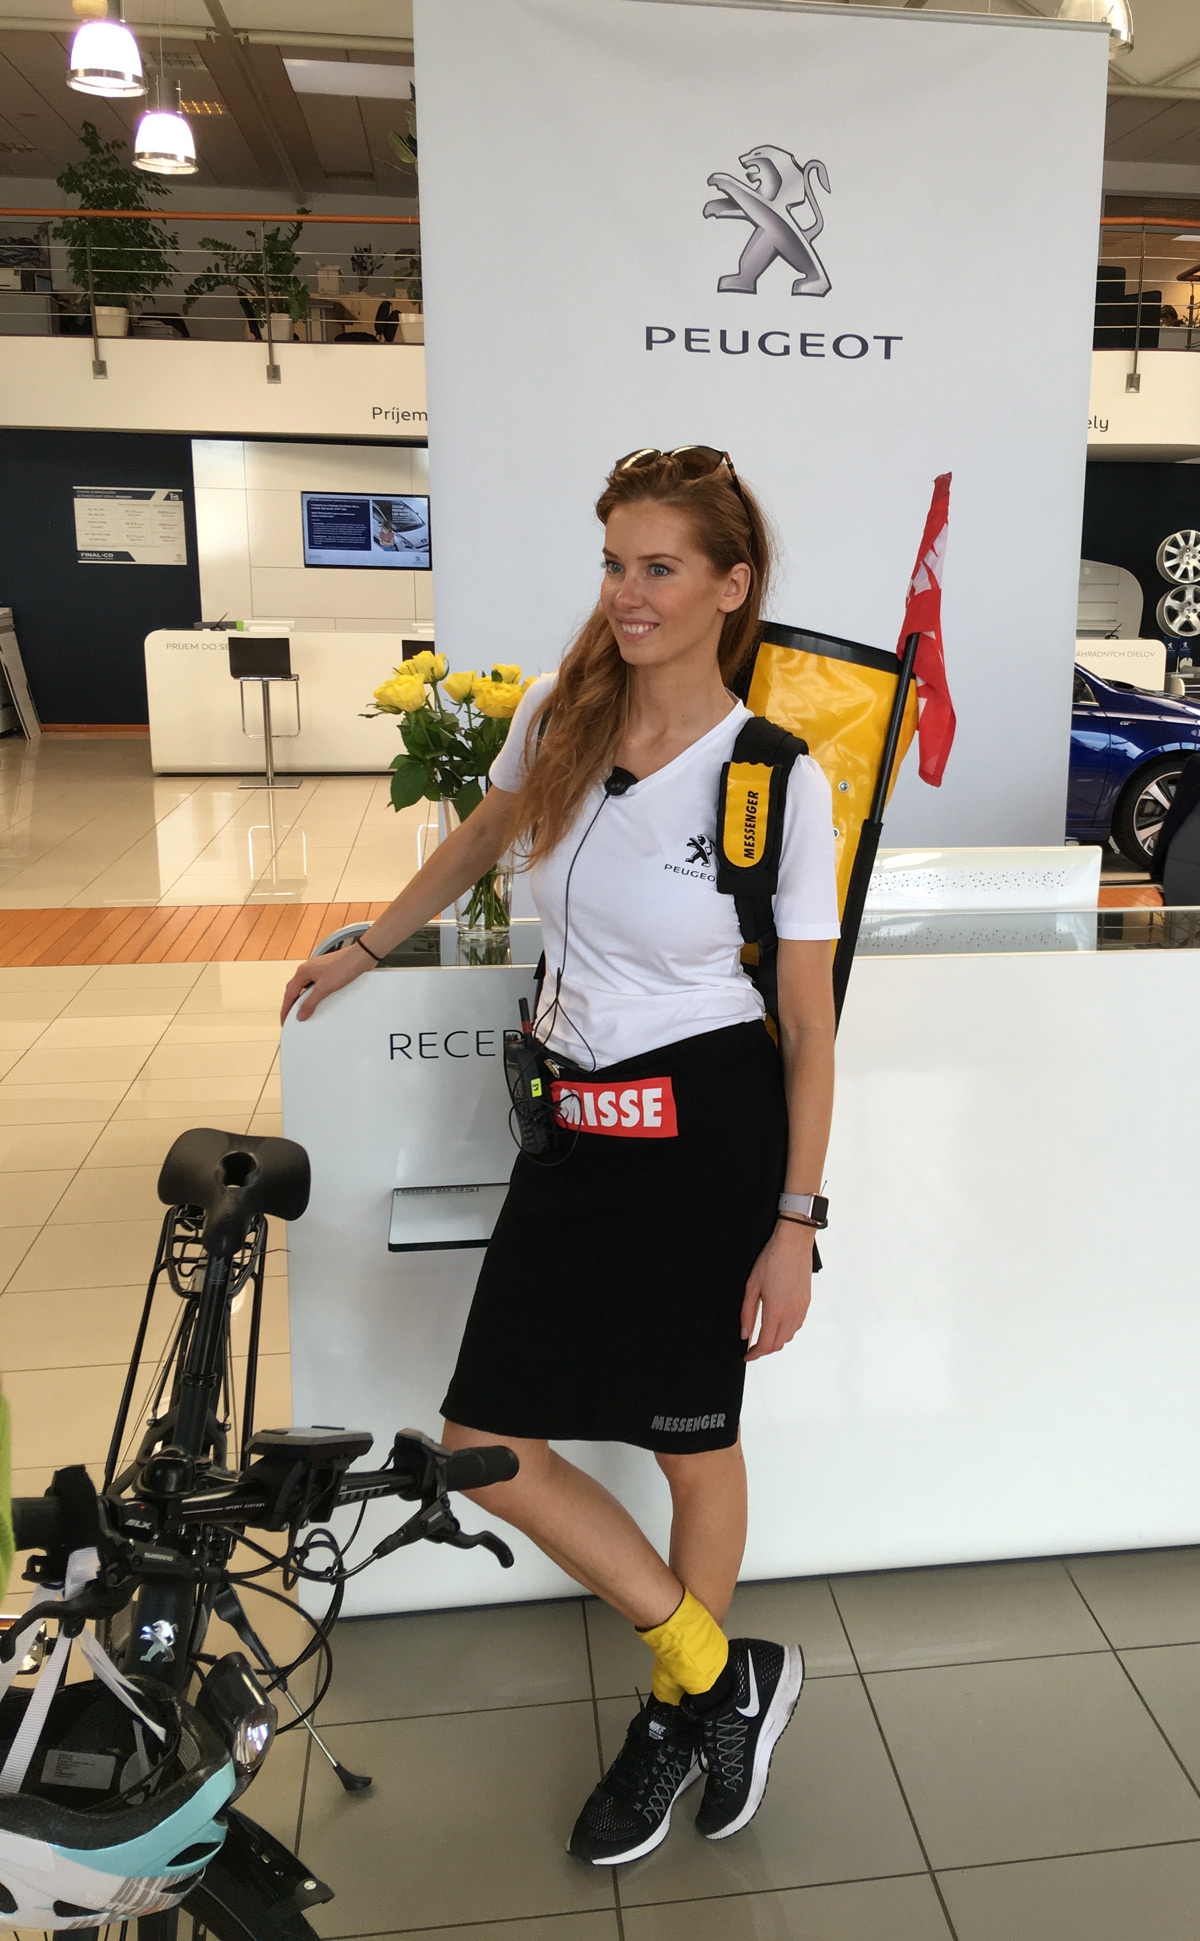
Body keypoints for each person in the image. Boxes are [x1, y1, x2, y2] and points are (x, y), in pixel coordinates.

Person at [281, 446, 839, 1866]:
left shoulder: (775, 779)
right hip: (575, 1127)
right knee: (487, 1445)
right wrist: (369, 942)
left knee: (692, 1443)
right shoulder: (561, 711)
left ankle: (669, 1718)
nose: (626, 593)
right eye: (612, 564)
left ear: (732, 584)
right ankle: (718, 1673)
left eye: (659, 567)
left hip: (706, 1133)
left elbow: (807, 1025)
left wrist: (794, 1220)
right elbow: (486, 832)